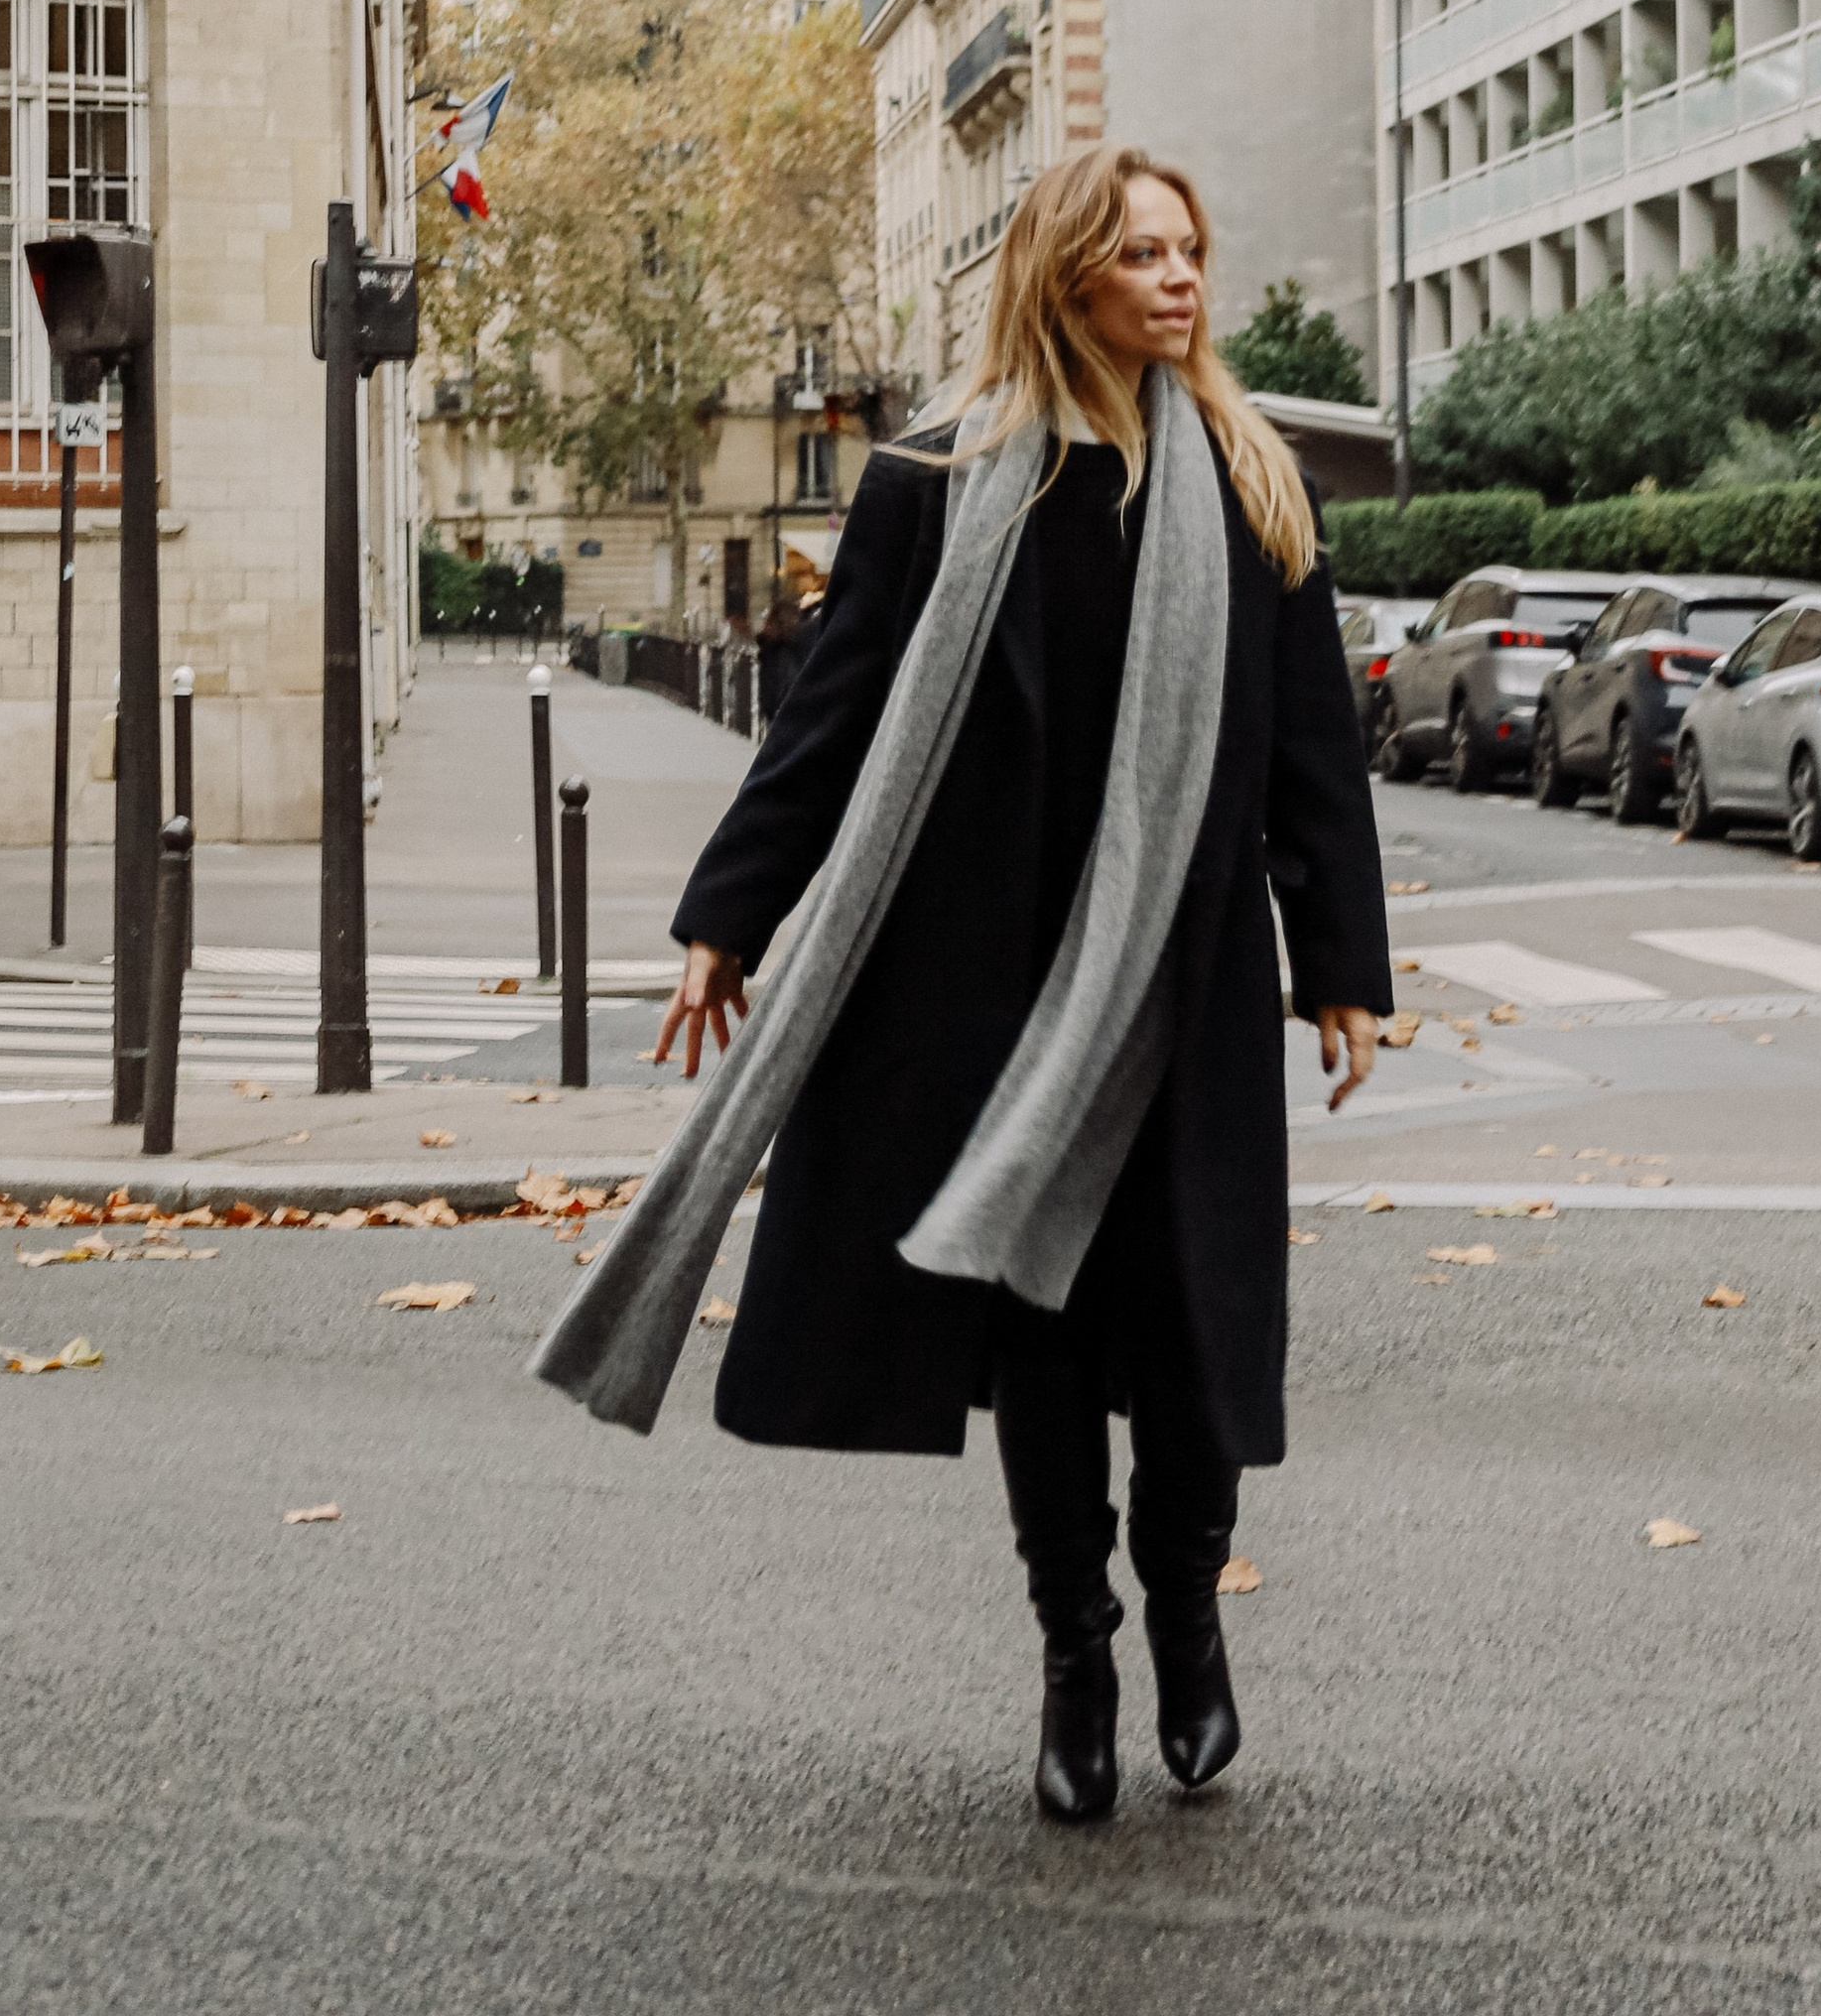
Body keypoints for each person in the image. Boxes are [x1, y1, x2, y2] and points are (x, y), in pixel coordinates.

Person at [530, 143, 1389, 1827]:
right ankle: (1076, 1646)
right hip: (999, 995)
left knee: (1196, 1338)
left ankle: (1188, 1613)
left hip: (1183, 986)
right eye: (1142, 253)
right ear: (1068, 273)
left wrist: (1340, 964)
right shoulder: (942, 477)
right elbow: (833, 722)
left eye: (1189, 252)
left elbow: (1313, 752)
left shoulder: (1248, 473)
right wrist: (732, 916)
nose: (1179, 281)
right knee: (1050, 1344)